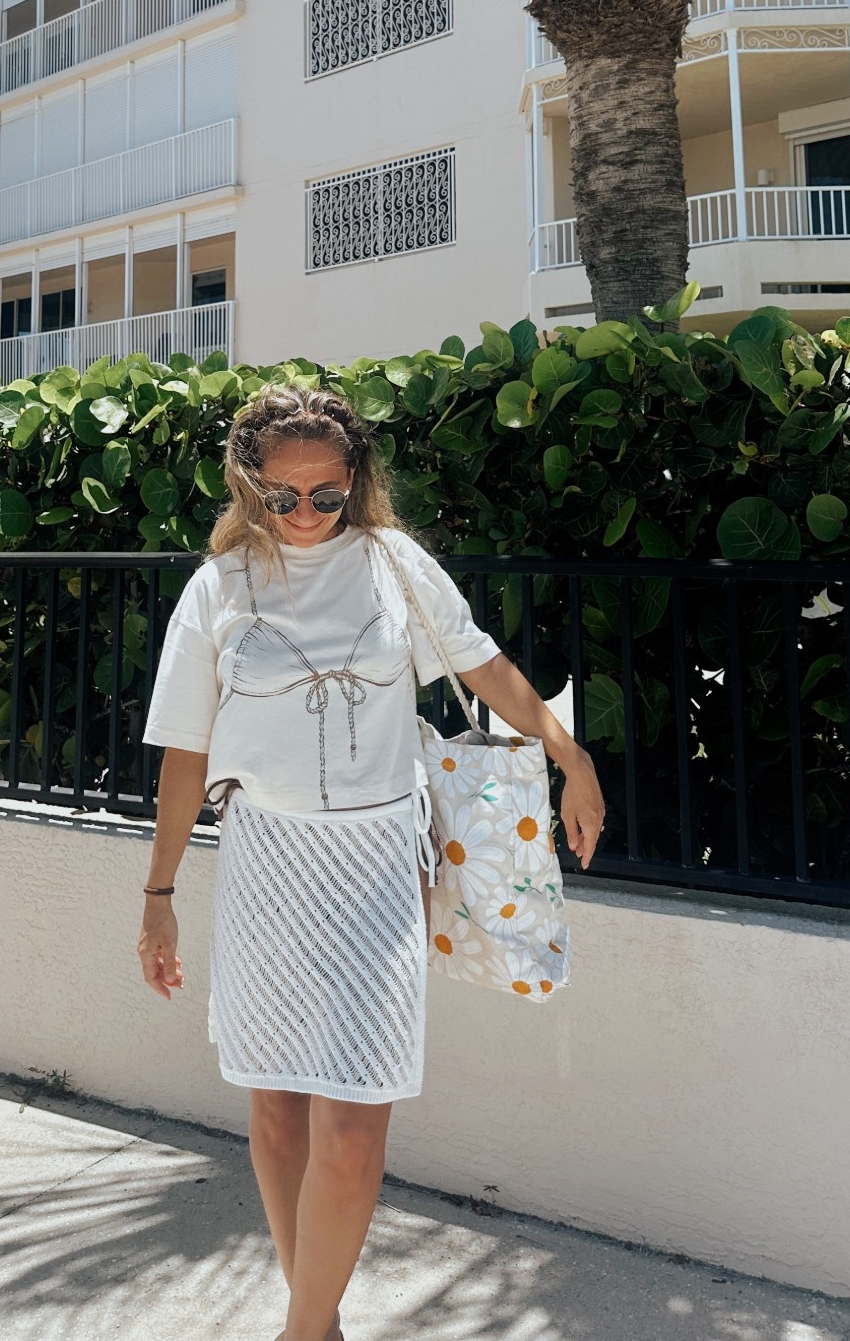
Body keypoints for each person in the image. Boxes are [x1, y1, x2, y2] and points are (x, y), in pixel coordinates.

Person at [137, 382, 606, 1341]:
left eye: (326, 494)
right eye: (283, 497)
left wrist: (571, 753)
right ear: (247, 485)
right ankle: (321, 1318)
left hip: (380, 864)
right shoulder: (218, 590)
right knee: (276, 1104)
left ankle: (302, 1333)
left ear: (355, 481)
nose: (306, 515)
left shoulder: (394, 564)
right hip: (269, 862)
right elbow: (186, 754)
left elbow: (479, 664)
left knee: (353, 1123)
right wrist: (159, 894)